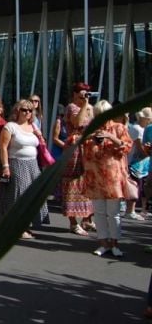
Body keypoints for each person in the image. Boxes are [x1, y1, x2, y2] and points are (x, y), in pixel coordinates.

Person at [82, 100, 132, 257]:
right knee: (99, 213)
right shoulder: (91, 129)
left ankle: (115, 244)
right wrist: (89, 139)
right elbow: (84, 151)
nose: (100, 117)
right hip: (95, 177)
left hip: (113, 178)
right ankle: (103, 243)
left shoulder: (119, 128)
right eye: (98, 114)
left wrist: (111, 137)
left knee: (113, 213)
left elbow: (127, 147)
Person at [0, 99, 49, 238]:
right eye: (24, 109)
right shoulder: (10, 127)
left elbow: (40, 145)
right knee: (19, 196)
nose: (28, 113)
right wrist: (6, 166)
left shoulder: (33, 127)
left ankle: (26, 225)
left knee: (33, 196)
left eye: (30, 110)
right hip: (17, 164)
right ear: (17, 110)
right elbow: (3, 148)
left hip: (33, 165)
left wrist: (40, 137)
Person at [61, 82, 95, 235]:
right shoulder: (71, 107)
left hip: (88, 147)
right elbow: (79, 122)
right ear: (75, 94)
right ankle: (73, 222)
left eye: (87, 93)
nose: (84, 95)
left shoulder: (90, 108)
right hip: (75, 147)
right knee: (73, 183)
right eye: (82, 93)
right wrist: (85, 105)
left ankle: (87, 219)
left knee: (88, 183)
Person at [127, 107, 152, 219]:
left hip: (141, 163)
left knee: (140, 186)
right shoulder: (137, 128)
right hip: (135, 162)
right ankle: (130, 211)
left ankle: (140, 209)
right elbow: (140, 148)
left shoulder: (142, 128)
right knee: (135, 186)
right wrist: (148, 152)